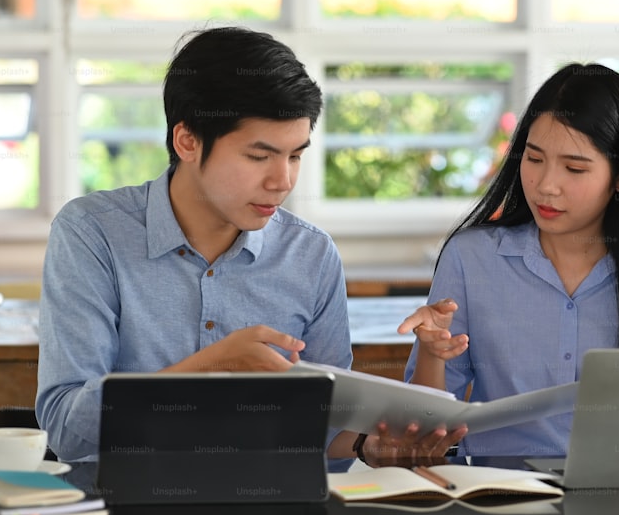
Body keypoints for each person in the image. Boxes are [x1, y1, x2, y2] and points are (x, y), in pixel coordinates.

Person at [35, 27, 462, 470]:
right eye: (259, 157)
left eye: (295, 156)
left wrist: (366, 447)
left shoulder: (311, 256)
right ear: (188, 141)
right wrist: (207, 367)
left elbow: (325, 432)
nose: (283, 181)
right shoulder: (92, 233)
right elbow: (67, 432)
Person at [390, 63, 619, 459]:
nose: (546, 185)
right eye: (533, 160)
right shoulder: (471, 258)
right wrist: (432, 353)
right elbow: (427, 433)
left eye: (574, 168)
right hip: (497, 497)